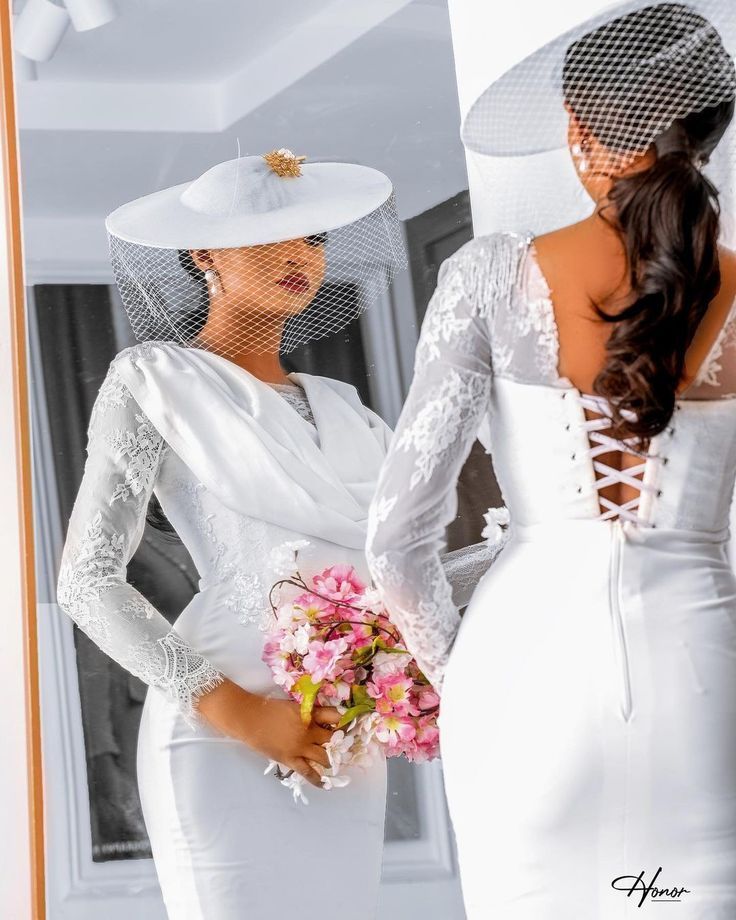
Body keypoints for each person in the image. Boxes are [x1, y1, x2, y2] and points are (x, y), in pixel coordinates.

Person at [366, 2, 736, 916]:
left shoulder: (491, 276)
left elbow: (396, 540)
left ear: (578, 130)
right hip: (705, 682)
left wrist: (466, 676)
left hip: (521, 679)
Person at [56, 148, 408, 919]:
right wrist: (240, 713)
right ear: (204, 252)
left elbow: (404, 573)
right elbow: (85, 582)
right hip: (220, 724)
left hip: (342, 738)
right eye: (271, 236)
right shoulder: (153, 379)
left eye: (314, 239)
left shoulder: (349, 408)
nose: (300, 257)